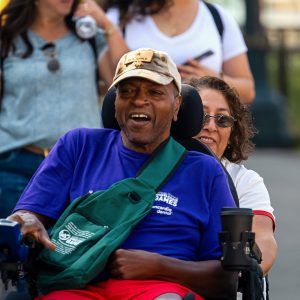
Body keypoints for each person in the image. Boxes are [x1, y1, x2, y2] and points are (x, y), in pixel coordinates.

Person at [8, 48, 237, 300]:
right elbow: (28, 214)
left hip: (161, 289)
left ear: (177, 106)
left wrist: (160, 266)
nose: (139, 100)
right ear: (114, 103)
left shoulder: (204, 171)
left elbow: (226, 279)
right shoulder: (79, 146)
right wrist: (26, 219)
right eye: (127, 91)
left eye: (155, 92)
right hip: (78, 285)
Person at [0, 0, 128, 218]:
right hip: (17, 165)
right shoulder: (7, 37)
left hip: (82, 167)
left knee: (76, 249)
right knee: (16, 248)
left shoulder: (88, 35)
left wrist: (106, 24)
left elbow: (124, 80)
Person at [185, 76, 277, 283]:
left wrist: (249, 274)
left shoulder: (246, 181)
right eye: (201, 115)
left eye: (222, 119)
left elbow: (263, 238)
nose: (211, 126)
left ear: (232, 131)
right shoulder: (159, 170)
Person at [100, 0, 255, 104]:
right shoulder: (117, 18)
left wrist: (213, 79)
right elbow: (109, 85)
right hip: (138, 136)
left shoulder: (218, 17)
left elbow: (247, 91)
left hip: (200, 138)